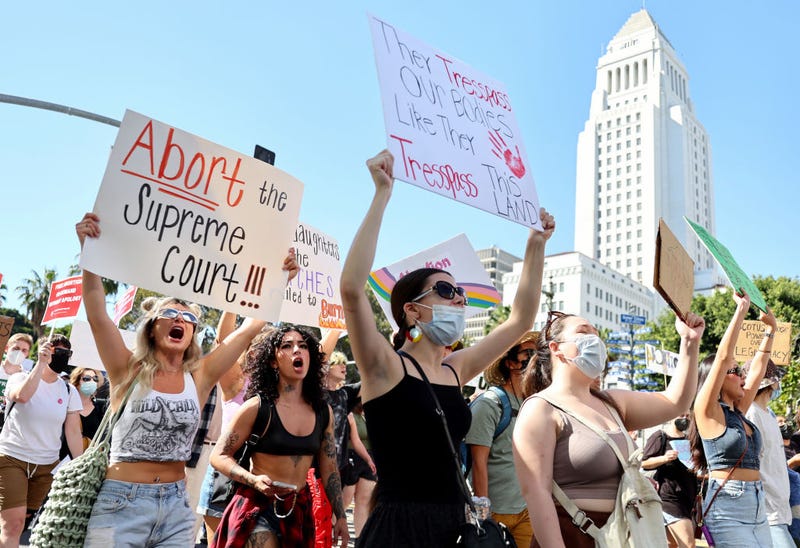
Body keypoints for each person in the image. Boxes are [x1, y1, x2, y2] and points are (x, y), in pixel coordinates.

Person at [340, 149, 555, 546]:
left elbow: (521, 320)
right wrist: (382, 195)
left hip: (455, 527)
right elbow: (352, 288)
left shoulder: (455, 370)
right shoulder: (384, 366)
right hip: (400, 529)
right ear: (412, 310)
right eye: (445, 291)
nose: (459, 300)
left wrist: (535, 244)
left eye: (460, 293)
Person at [75, 212, 298, 547]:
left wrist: (281, 279)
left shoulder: (201, 376)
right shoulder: (127, 369)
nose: (179, 319)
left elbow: (251, 326)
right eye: (169, 314)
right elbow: (96, 312)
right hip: (119, 504)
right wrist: (89, 255)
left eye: (188, 317)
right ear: (152, 327)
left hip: (176, 508)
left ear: (192, 332)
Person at [513, 309, 704, 548]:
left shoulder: (612, 402)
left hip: (624, 535)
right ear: (556, 348)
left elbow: (676, 402)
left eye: (596, 333)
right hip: (573, 537)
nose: (595, 339)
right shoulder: (541, 409)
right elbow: (536, 494)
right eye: (584, 332)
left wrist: (689, 342)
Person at [210, 325, 348, 547]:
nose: (297, 350)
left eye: (303, 346)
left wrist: (340, 515)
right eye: (287, 345)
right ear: (273, 361)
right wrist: (253, 480)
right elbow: (219, 455)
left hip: (299, 510)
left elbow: (329, 468)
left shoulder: (323, 412)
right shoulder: (257, 407)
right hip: (258, 507)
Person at [688, 291, 774, 545]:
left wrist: (771, 329)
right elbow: (724, 357)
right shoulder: (706, 410)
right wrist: (741, 310)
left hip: (757, 505)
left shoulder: (738, 412)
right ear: (717, 377)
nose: (742, 374)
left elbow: (758, 369)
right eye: (735, 371)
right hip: (728, 508)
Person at [0, 334, 83, 548]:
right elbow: (22, 396)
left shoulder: (68, 390)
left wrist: (81, 464)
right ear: (45, 351)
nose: (62, 357)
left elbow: (73, 431)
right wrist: (41, 364)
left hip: (46, 467)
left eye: (67, 353)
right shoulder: (19, 377)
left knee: (24, 522)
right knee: (13, 524)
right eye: (58, 351)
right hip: (12, 458)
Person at [464, 331, 537, 547]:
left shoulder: (533, 403)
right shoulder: (489, 404)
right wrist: (483, 517)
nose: (536, 358)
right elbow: (479, 463)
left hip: (526, 510)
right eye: (528, 353)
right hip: (495, 512)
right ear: (511, 363)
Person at [745, 359, 794, 547]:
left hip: (779, 507)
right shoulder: (752, 414)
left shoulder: (770, 414)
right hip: (765, 511)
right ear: (771, 382)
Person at [641, 412, 697, 547]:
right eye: (681, 415)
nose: (684, 418)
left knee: (670, 544)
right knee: (688, 544)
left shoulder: (689, 440)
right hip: (669, 498)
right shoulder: (660, 436)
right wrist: (664, 458)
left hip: (687, 498)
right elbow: (644, 463)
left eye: (688, 416)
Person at [343, 403, 377, 539]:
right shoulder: (351, 414)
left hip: (369, 459)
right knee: (346, 498)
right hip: (352, 456)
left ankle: (360, 539)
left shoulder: (368, 414)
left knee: (363, 500)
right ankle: (331, 527)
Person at [68, 366, 108, 450]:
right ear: (77, 382)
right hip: (65, 458)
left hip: (90, 459)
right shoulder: (66, 405)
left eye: (95, 379)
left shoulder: (102, 406)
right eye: (87, 378)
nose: (92, 381)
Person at [0, 333, 33, 430]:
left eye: (24, 350)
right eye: (16, 348)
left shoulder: (28, 379)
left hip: (8, 429)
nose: (19, 353)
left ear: (27, 354)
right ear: (6, 348)